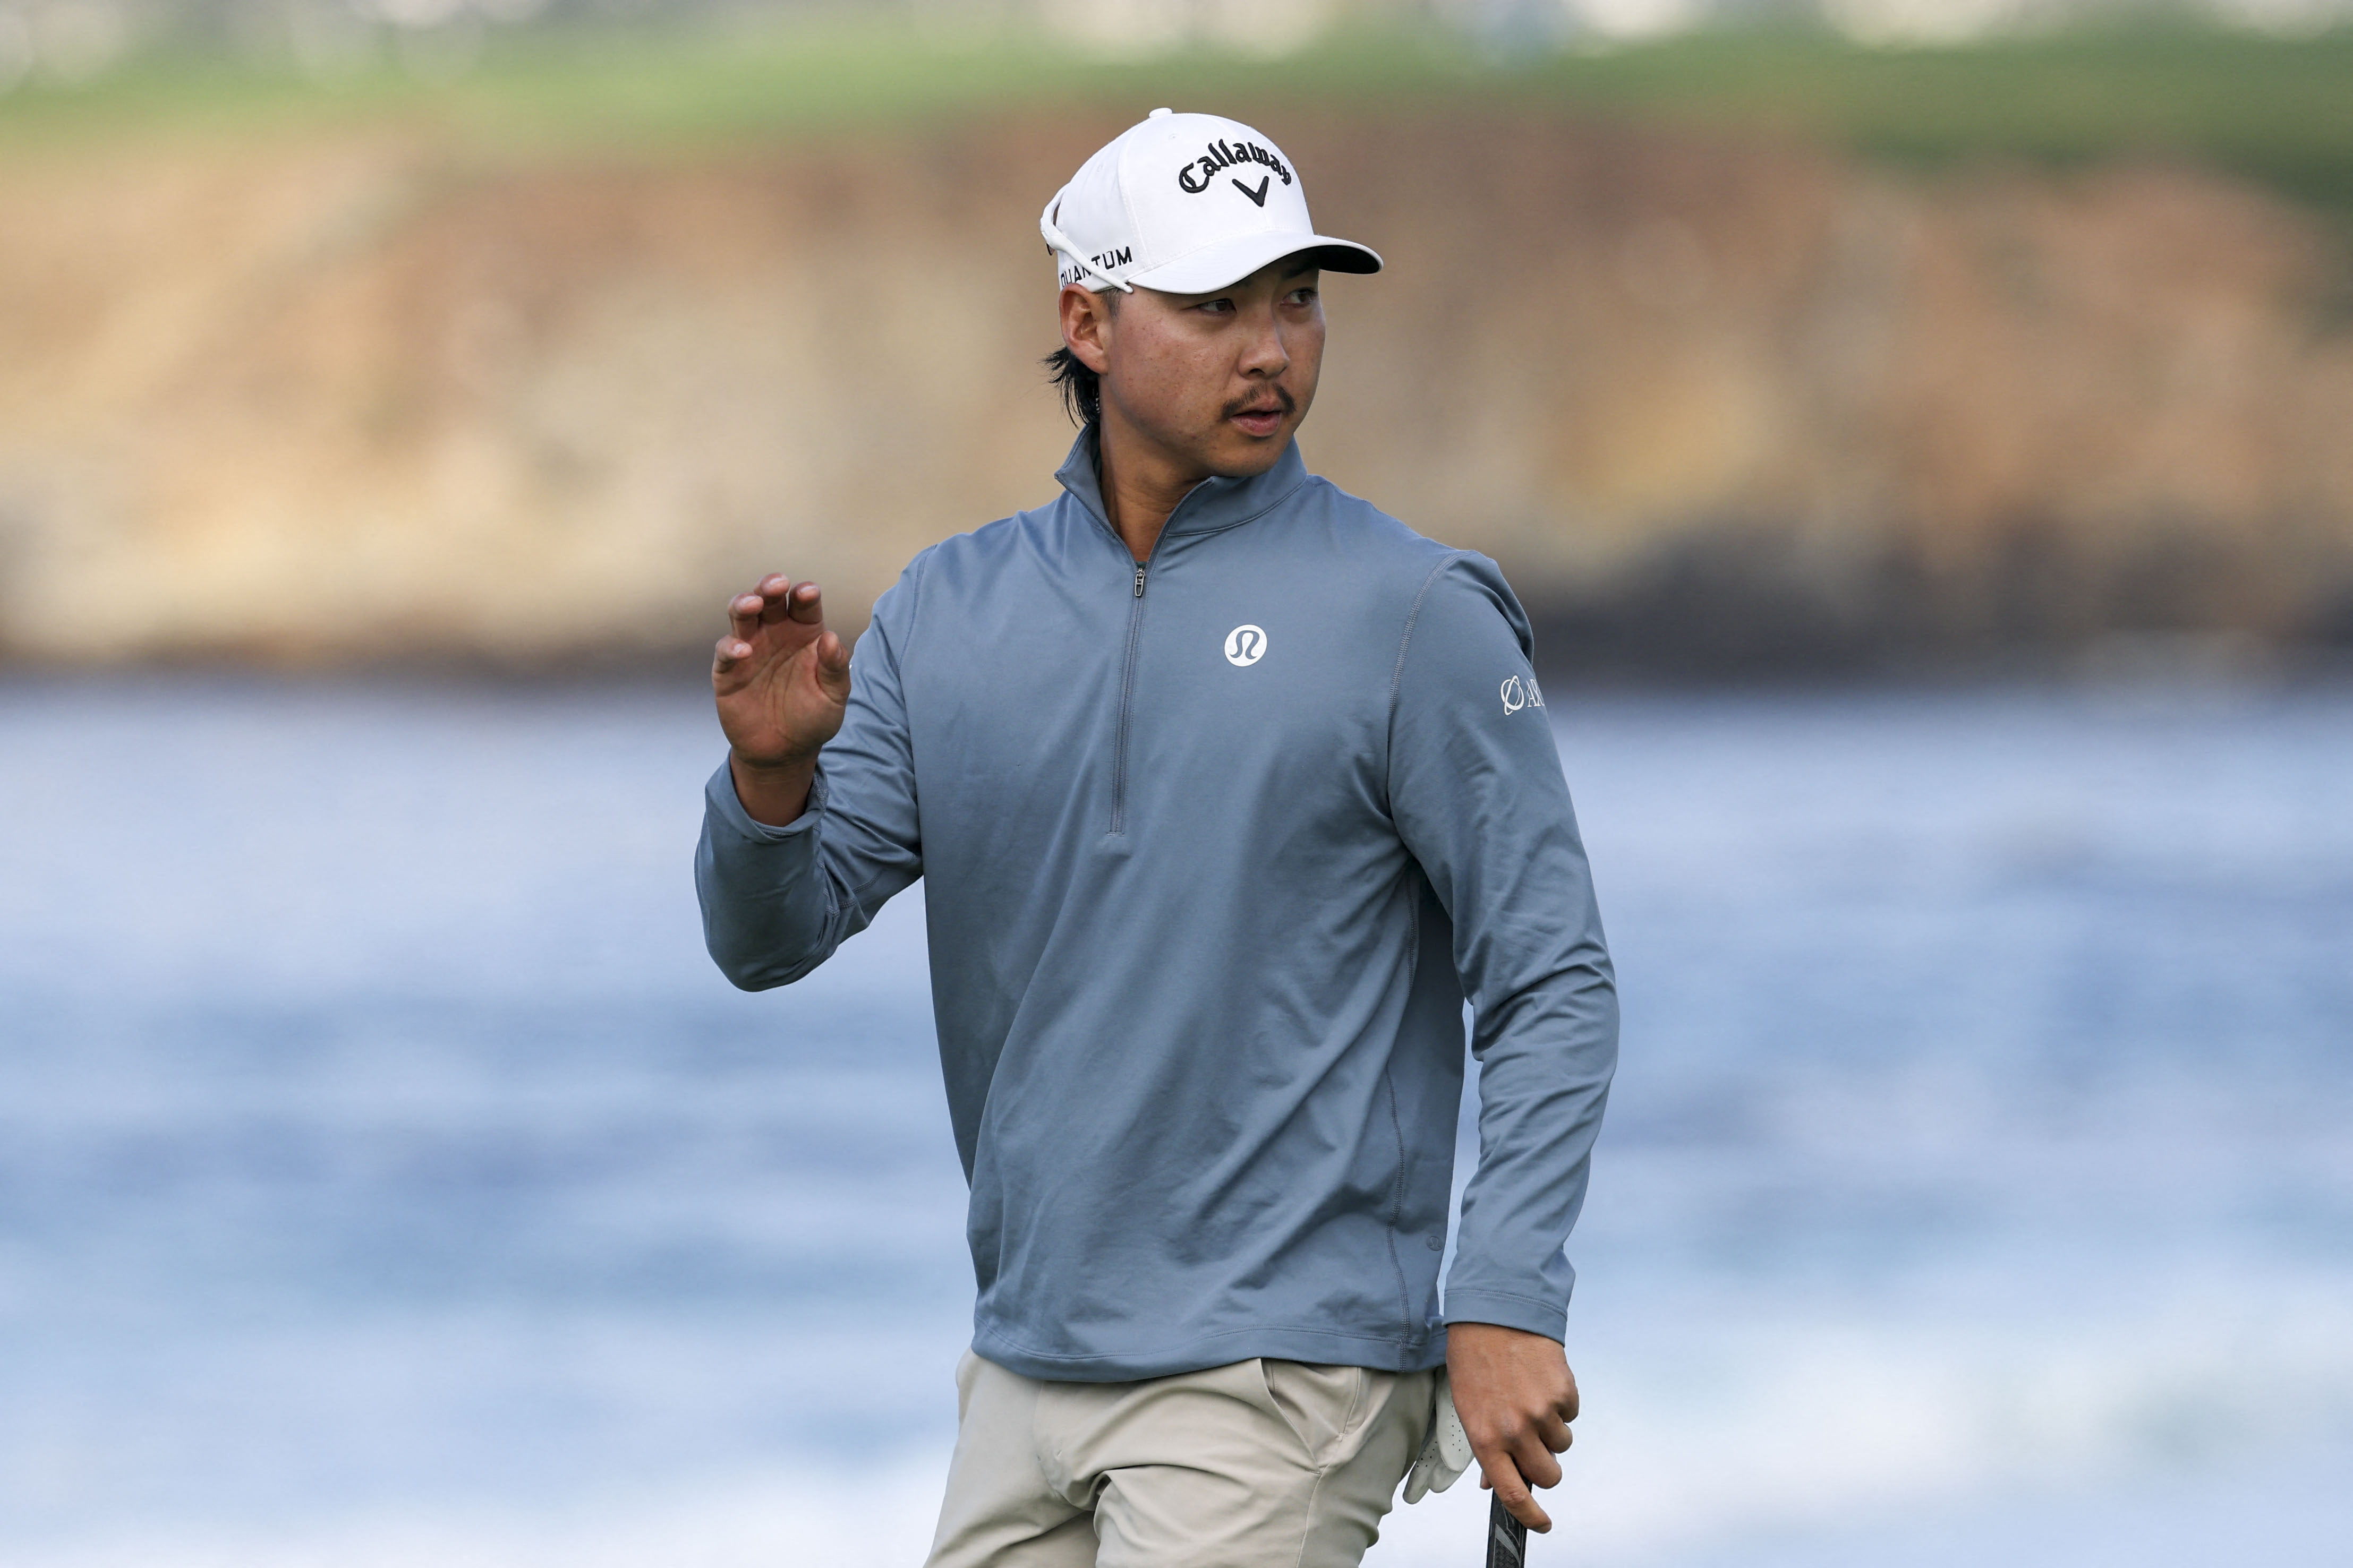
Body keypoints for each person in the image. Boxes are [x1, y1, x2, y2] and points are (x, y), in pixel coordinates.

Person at [695, 108, 1617, 1568]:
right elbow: (766, 939)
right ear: (1091, 317)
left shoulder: (1416, 614)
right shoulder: (948, 613)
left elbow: (1551, 975)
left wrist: (1504, 1291)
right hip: (1026, 1363)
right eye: (1215, 305)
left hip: (1282, 1373)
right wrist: (766, 786)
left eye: (1298, 301)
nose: (1274, 350)